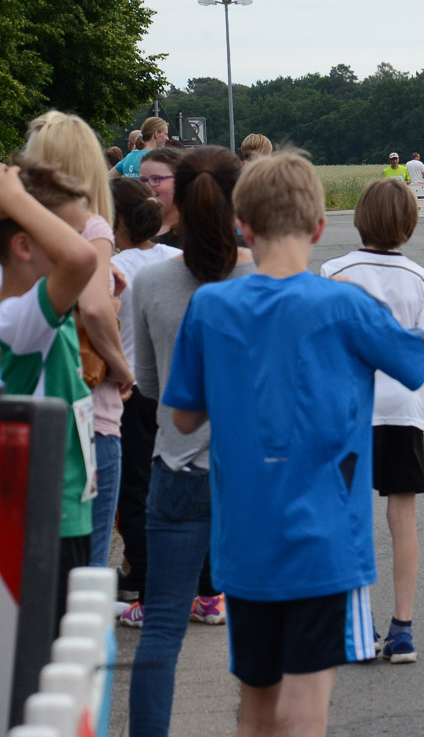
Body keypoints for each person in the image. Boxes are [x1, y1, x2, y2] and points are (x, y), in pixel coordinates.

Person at [162, 152, 424, 737]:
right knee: (305, 712)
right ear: (319, 229)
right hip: (326, 541)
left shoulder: (210, 306)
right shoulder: (346, 305)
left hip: (244, 539)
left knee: (256, 709)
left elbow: (185, 418)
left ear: (243, 226)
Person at [126, 147, 254, 733]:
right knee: (264, 627)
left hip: (177, 469)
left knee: (162, 626)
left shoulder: (150, 281)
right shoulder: (262, 277)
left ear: (176, 196)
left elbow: (151, 386)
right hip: (253, 474)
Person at [321, 179, 424, 665]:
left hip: (349, 410)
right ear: (410, 223)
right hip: (403, 408)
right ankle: (403, 627)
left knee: (347, 517)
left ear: (360, 218)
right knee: (403, 516)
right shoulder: (422, 278)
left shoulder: (334, 272)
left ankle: (358, 623)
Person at [24, 112, 136, 575]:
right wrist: (122, 366)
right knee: (84, 572)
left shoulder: (18, 232)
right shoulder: (90, 227)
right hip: (86, 409)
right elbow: (92, 307)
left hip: (24, 409)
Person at [0, 158, 100, 633]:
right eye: (68, 235)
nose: (79, 245)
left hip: (63, 510)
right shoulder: (17, 322)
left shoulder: (32, 318)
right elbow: (80, 261)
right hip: (47, 519)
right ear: (23, 245)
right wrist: (15, 198)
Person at [108, 178, 181, 612]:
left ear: (116, 221)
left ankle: (144, 579)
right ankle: (197, 583)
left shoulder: (113, 267)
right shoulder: (177, 259)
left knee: (134, 491)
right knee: (178, 483)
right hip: (177, 386)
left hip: (131, 388)